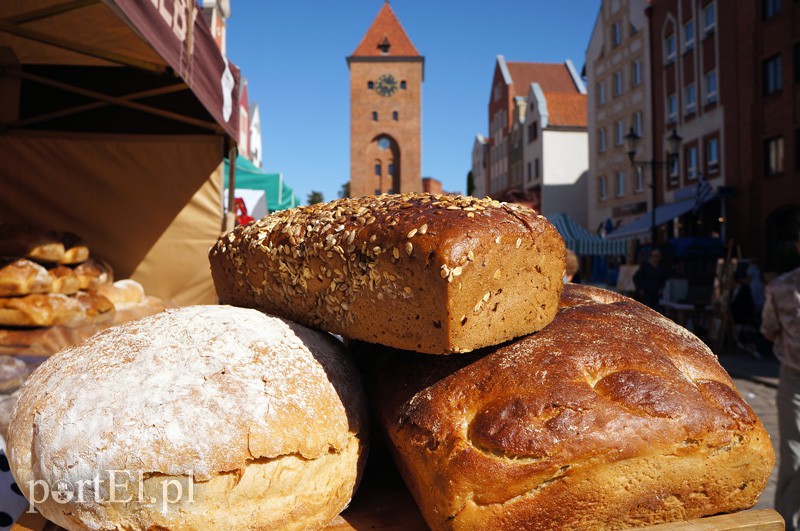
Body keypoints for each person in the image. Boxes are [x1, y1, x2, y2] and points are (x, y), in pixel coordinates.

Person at [761, 238, 800, 531]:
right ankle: (789, 522)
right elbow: (769, 329)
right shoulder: (782, 287)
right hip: (795, 377)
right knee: (794, 453)